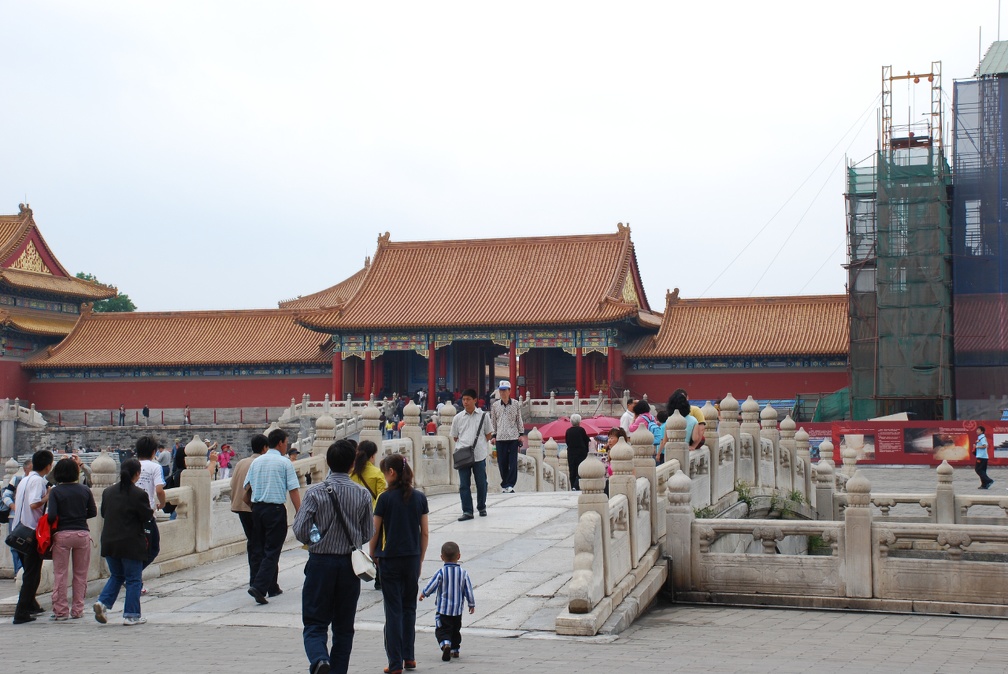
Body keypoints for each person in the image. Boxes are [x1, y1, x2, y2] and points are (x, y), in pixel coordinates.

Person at [293, 439, 375, 674]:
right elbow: (368, 532)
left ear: (328, 462)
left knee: (315, 622)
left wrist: (316, 539)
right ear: (352, 464)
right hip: (349, 565)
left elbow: (299, 530)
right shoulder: (361, 494)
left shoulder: (314, 492)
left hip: (320, 563)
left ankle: (320, 660)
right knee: (344, 627)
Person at [369, 453, 429, 674]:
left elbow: (375, 531)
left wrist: (372, 553)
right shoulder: (419, 498)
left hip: (390, 559)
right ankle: (409, 657)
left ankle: (395, 663)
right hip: (412, 558)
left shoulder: (384, 498)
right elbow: (425, 534)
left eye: (385, 472)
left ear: (391, 472)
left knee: (393, 611)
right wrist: (420, 559)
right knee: (409, 608)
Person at [243, 428, 301, 605]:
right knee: (272, 550)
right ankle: (260, 587)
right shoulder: (284, 463)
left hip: (257, 509)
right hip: (274, 510)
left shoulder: (257, 462)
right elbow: (293, 490)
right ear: (280, 443)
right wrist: (301, 513)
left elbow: (247, 487)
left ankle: (270, 586)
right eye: (286, 442)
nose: (287, 446)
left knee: (259, 549)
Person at [93, 458, 153, 626]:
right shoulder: (139, 494)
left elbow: (104, 513)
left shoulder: (108, 492)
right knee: (133, 579)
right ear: (137, 474)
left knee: (117, 575)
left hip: (110, 541)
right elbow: (146, 516)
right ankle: (131, 614)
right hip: (131, 543)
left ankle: (102, 603)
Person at [47, 457, 97, 620]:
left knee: (61, 574)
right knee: (80, 574)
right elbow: (93, 512)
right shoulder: (84, 490)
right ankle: (78, 609)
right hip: (82, 533)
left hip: (62, 534)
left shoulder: (55, 491)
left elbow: (52, 515)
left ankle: (61, 611)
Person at [230, 434, 280, 595]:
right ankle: (265, 584)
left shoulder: (241, 462)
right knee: (265, 547)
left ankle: (256, 581)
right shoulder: (261, 463)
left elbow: (232, 484)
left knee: (253, 544)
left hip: (240, 507)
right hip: (255, 507)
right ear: (265, 448)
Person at [11, 450, 53, 624]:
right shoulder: (37, 481)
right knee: (32, 573)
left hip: (19, 530)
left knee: (31, 572)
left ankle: (31, 604)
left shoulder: (25, 478)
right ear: (48, 465)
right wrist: (47, 497)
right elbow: (34, 503)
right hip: (30, 531)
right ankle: (21, 612)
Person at [419, 541, 475, 662]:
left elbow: (432, 585)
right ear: (459, 556)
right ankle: (455, 650)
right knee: (455, 630)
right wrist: (471, 604)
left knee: (442, 630)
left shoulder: (441, 572)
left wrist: (424, 593)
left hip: (443, 610)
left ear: (442, 557)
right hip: (457, 611)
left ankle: (445, 644)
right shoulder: (463, 573)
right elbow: (468, 590)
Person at [450, 388, 493, 521]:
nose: (465, 402)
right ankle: (467, 511)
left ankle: (481, 506)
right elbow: (455, 437)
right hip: (463, 455)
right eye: (463, 399)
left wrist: (478, 444)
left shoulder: (484, 416)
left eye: (468, 399)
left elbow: (489, 434)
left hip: (479, 455)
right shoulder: (458, 418)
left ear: (475, 400)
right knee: (464, 484)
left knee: (482, 483)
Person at [351, 439, 387, 590]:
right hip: (373, 514)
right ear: (372, 456)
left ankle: (354, 572)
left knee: (353, 547)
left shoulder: (351, 472)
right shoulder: (376, 473)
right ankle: (378, 576)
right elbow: (382, 496)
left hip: (353, 514)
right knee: (378, 544)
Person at [134, 436, 167, 585]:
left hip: (129, 511)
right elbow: (159, 489)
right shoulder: (155, 466)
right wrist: (163, 503)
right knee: (153, 548)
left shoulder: (130, 464)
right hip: (146, 512)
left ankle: (134, 579)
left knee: (135, 549)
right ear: (154, 452)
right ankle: (133, 576)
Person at [490, 380, 524, 494]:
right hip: (500, 438)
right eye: (501, 390)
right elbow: (493, 422)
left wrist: (521, 434)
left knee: (513, 463)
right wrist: (493, 436)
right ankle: (504, 484)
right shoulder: (495, 406)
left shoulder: (515, 404)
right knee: (502, 462)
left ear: (509, 391)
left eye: (504, 390)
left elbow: (519, 419)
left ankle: (510, 484)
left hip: (513, 437)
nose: (502, 392)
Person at [2, 458, 31, 577]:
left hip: (29, 518)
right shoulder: (17, 479)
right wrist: (14, 506)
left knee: (28, 545)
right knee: (14, 544)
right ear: (25, 469)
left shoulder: (39, 480)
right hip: (14, 517)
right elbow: (6, 495)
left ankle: (24, 571)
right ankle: (18, 571)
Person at [564, 414, 591, 491]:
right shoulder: (581, 430)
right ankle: (576, 486)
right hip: (581, 453)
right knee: (580, 470)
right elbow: (586, 441)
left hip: (571, 453)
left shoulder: (568, 431)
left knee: (572, 470)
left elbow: (567, 441)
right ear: (579, 421)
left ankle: (573, 485)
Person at [972, 425, 993, 490]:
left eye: (978, 430)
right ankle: (984, 485)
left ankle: (988, 480)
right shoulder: (980, 438)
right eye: (977, 430)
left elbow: (985, 446)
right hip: (982, 456)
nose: (977, 431)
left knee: (978, 469)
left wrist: (977, 447)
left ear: (982, 431)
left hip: (981, 457)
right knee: (983, 470)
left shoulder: (982, 438)